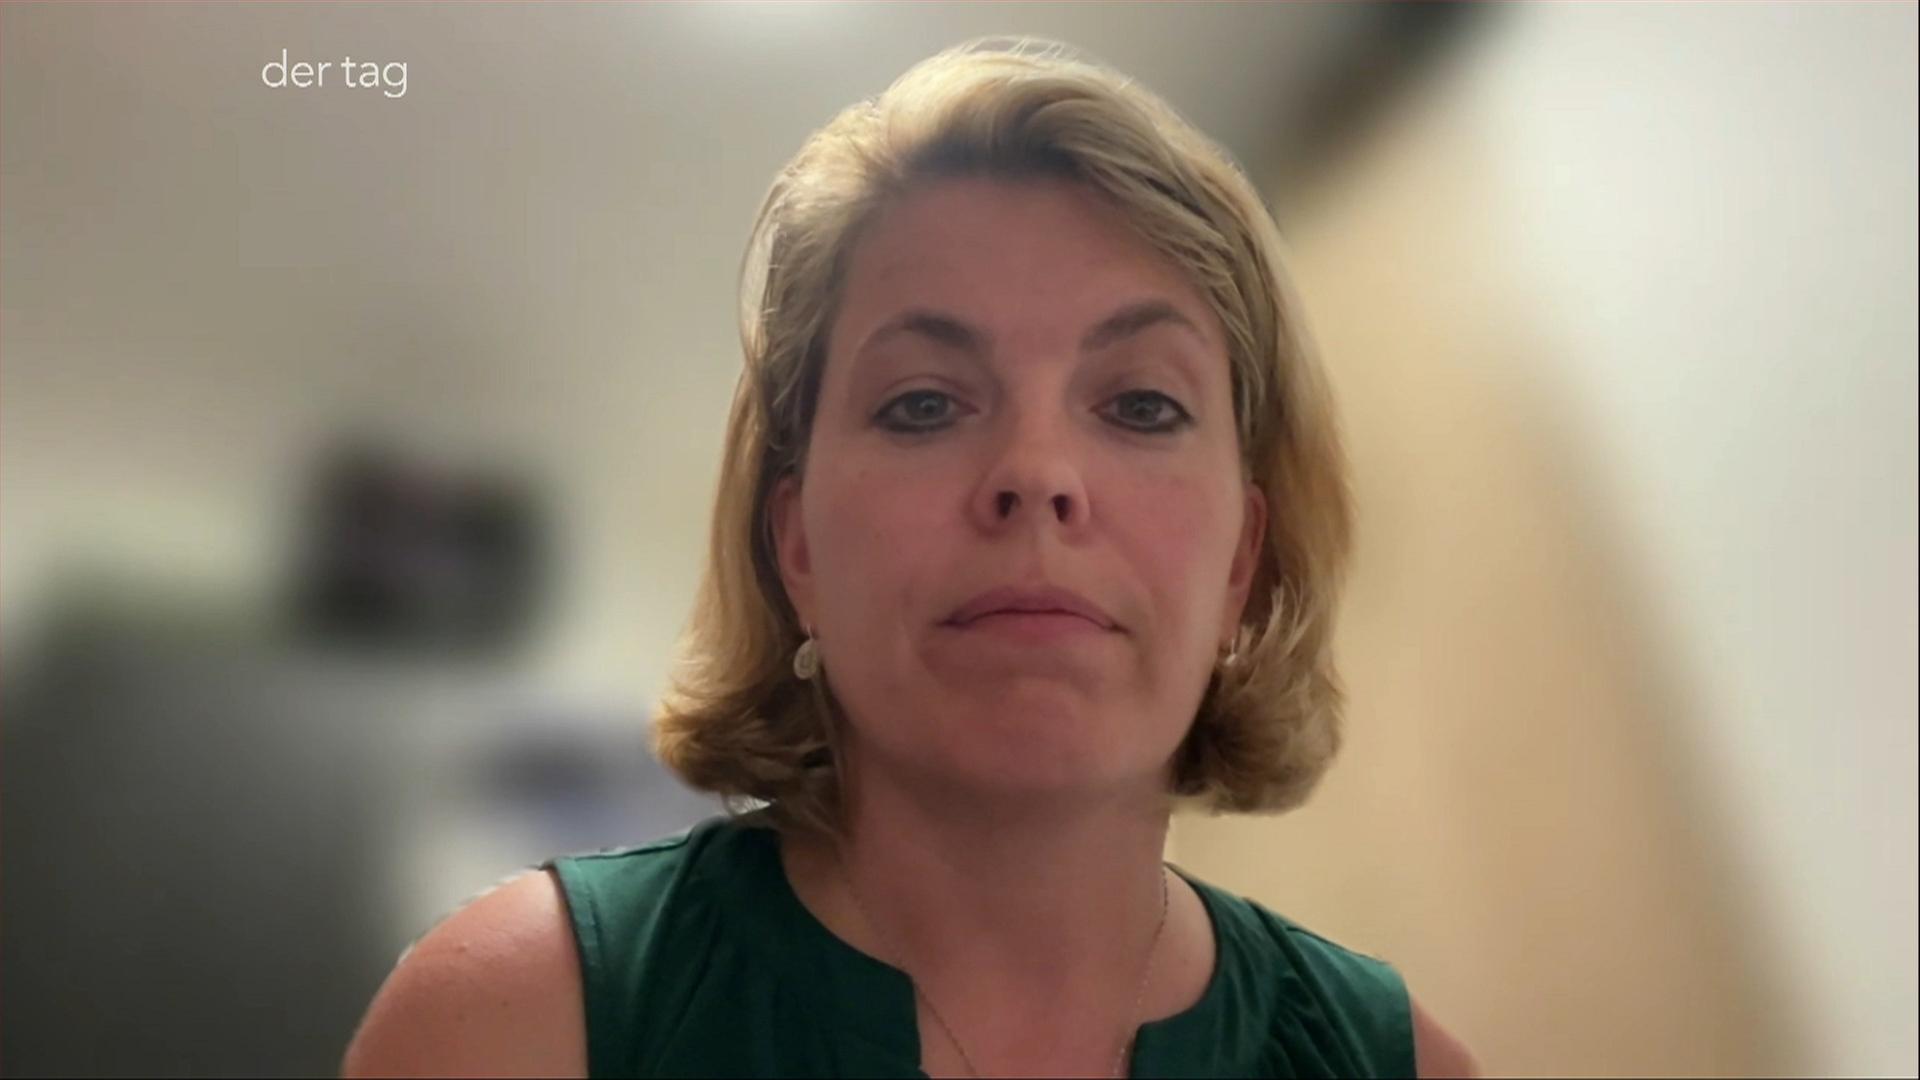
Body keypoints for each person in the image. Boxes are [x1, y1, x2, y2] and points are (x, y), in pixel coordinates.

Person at [344, 38, 1482, 1079]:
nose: (1036, 472)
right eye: (925, 404)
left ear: (1242, 563)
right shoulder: (512, 1025)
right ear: (796, 546)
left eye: (1140, 404)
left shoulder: (1397, 1066)